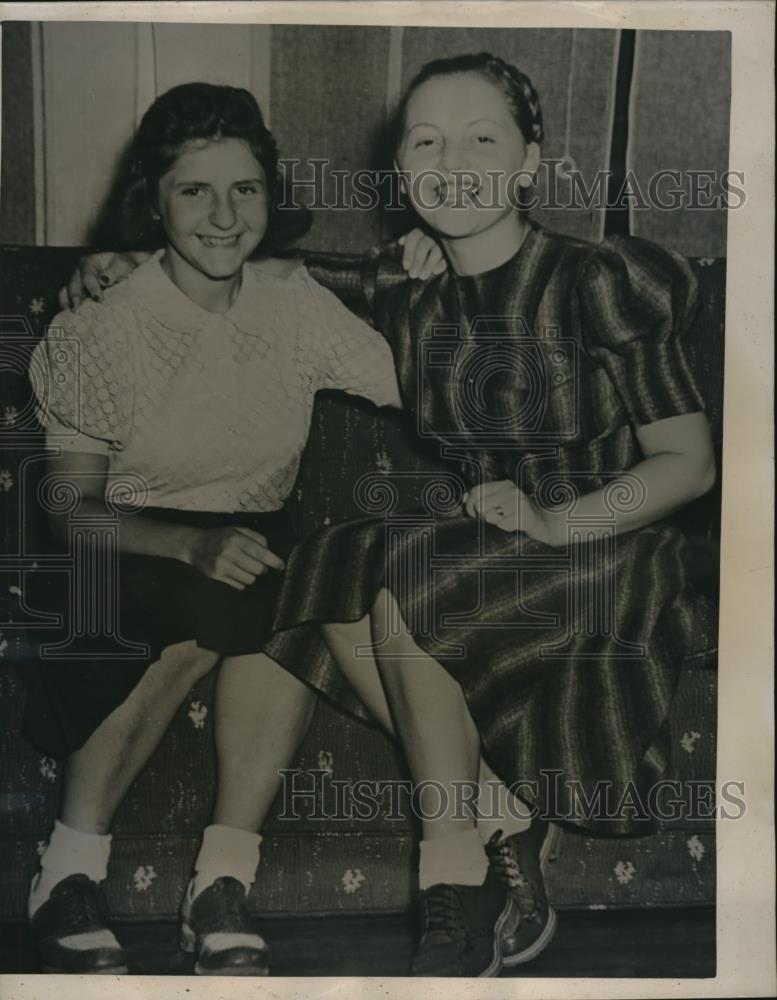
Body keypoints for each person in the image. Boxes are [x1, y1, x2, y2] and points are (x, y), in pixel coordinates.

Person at [65, 53, 717, 978]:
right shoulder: (400, 282)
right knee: (325, 563)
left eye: (481, 139)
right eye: (426, 141)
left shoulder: (599, 278)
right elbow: (264, 270)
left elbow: (688, 464)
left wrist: (551, 521)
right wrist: (136, 257)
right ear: (401, 168)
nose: (451, 160)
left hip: (611, 540)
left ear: (529, 161)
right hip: (486, 547)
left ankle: (447, 874)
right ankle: (496, 821)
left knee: (409, 570)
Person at [25, 81, 443, 978]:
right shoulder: (102, 323)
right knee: (227, 589)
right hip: (120, 546)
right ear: (154, 200)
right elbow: (68, 514)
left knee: (282, 591)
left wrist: (442, 265)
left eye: (244, 190)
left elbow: (426, 389)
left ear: (271, 194)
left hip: (253, 545)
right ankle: (67, 871)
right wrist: (185, 545)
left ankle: (221, 883)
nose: (223, 216)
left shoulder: (293, 306)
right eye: (194, 191)